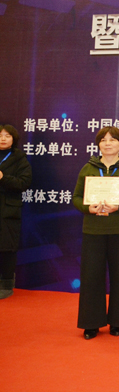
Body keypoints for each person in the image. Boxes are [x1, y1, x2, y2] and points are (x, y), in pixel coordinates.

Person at [72, 126, 119, 339]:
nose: (108, 143)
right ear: (98, 145)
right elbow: (76, 197)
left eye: (112, 140)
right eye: (103, 140)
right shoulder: (88, 168)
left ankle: (117, 321)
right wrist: (88, 208)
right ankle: (91, 323)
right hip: (93, 230)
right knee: (91, 276)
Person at [0, 125, 33, 300]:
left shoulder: (19, 158)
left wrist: (3, 178)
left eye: (7, 136)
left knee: (7, 247)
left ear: (13, 139)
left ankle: (6, 285)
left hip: (8, 209)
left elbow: (23, 183)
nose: (3, 139)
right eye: (0, 135)